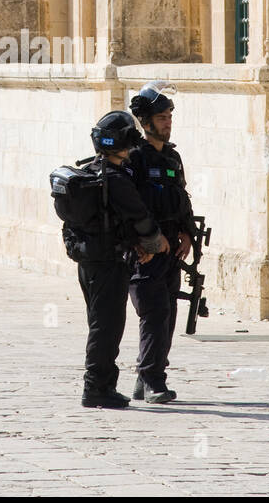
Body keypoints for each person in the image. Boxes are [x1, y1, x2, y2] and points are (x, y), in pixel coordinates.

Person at [67, 111, 169, 409]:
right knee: (107, 326)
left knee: (99, 323)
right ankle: (96, 388)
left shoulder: (89, 174)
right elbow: (141, 217)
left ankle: (102, 385)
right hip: (109, 264)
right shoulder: (116, 180)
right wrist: (154, 243)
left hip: (89, 261)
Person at [127, 81, 198, 403]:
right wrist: (144, 242)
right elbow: (126, 207)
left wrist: (186, 233)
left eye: (169, 116)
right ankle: (153, 378)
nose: (167, 122)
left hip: (171, 249)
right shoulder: (134, 159)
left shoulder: (171, 158)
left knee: (166, 314)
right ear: (145, 122)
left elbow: (182, 197)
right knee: (154, 314)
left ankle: (147, 376)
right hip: (145, 251)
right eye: (161, 117)